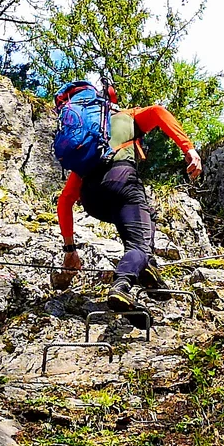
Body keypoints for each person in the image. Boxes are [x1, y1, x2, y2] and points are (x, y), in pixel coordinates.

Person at [49, 80, 204, 309]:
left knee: (141, 222)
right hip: (122, 181)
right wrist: (188, 148)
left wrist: (70, 250)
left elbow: (65, 201)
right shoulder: (124, 117)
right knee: (139, 243)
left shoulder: (88, 147)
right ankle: (122, 285)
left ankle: (147, 269)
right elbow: (158, 111)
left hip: (92, 199)